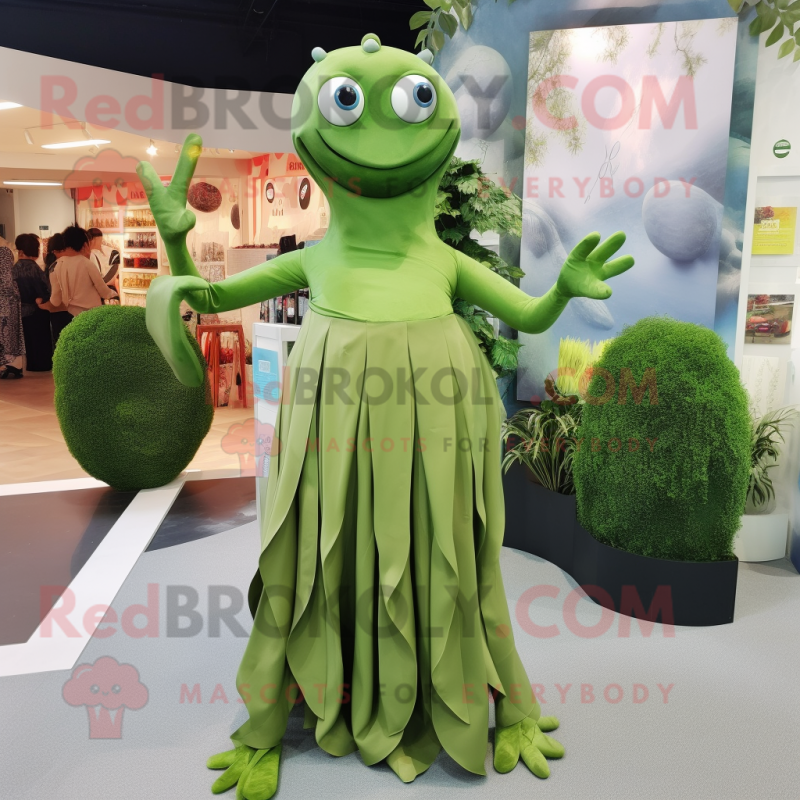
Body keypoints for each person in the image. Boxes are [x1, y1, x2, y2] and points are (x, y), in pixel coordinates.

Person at [135, 39, 634, 798]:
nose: (377, 135)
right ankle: (286, 709)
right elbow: (205, 299)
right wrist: (177, 240)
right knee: (320, 545)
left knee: (442, 547)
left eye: (412, 103)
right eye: (345, 103)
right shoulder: (316, 258)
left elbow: (529, 313)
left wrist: (563, 289)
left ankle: (491, 700)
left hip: (436, 420)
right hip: (331, 422)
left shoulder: (445, 261)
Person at [49, 225, 116, 320]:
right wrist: (114, 294)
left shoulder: (55, 266)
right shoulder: (86, 263)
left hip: (69, 316)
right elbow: (104, 292)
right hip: (90, 315)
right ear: (85, 245)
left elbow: (55, 300)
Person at [13, 233, 53, 371]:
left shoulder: (14, 268)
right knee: (40, 341)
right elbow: (46, 290)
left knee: (29, 342)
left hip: (21, 310)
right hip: (37, 310)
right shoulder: (34, 268)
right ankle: (42, 366)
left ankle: (31, 366)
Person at [39, 233, 72, 345]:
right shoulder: (66, 265)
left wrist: (43, 305)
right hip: (69, 310)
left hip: (56, 312)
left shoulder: (51, 266)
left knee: (60, 344)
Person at [0, 246, 25, 379]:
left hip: (5, 302)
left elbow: (6, 280)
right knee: (8, 334)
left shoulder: (3, 252)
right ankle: (13, 365)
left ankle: (11, 365)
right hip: (7, 302)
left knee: (7, 335)